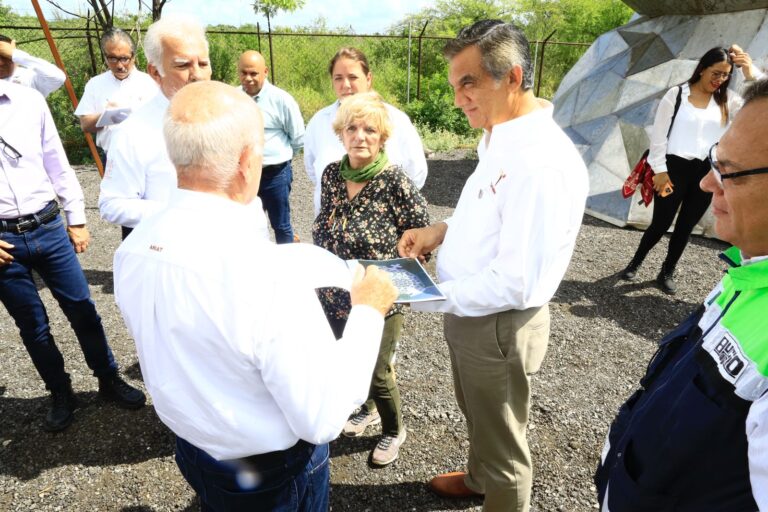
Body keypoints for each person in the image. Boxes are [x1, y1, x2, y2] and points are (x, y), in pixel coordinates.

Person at [114, 80, 398, 512]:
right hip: (270, 473)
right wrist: (368, 311)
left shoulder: (132, 249)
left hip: (194, 449)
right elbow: (322, 417)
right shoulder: (273, 277)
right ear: (249, 162)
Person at [397, 20, 588, 511]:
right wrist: (442, 230)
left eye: (469, 83)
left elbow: (517, 282)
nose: (459, 98)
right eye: (454, 84)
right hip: (472, 313)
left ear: (513, 76)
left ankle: (496, 486)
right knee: (479, 413)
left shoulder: (540, 163)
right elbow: (489, 210)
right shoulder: (500, 134)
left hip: (499, 324)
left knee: (506, 445)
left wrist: (421, 295)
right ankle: (481, 479)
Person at [596, 78, 768, 511]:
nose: (710, 184)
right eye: (715, 163)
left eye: (728, 172)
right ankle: (638, 265)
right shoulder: (747, 274)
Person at [0, 80, 145, 432]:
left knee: (83, 309)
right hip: (4, 244)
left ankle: (108, 379)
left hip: (48, 226)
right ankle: (60, 392)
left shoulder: (28, 100)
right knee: (32, 326)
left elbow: (56, 161)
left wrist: (76, 219)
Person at [312, 91, 430, 466]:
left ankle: (394, 429)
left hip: (381, 296)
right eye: (352, 128)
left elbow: (422, 237)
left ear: (382, 138)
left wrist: (411, 254)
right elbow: (325, 220)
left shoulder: (395, 181)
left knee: (378, 370)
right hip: (336, 291)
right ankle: (365, 409)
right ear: (340, 133)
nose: (360, 136)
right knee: (347, 357)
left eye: (369, 130)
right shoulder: (332, 174)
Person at [621, 47, 743, 294]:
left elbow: (756, 106)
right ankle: (635, 263)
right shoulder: (676, 95)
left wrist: (749, 71)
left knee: (686, 226)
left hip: (706, 174)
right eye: (716, 73)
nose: (719, 80)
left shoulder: (728, 101)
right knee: (660, 223)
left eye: (725, 75)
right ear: (702, 69)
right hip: (672, 169)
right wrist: (659, 171)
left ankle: (667, 272)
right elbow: (659, 137)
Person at [98, 15, 215, 240]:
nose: (197, 75)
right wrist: (181, 213)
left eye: (203, 63)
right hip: (166, 250)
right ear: (155, 72)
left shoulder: (225, 115)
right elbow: (112, 204)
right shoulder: (133, 132)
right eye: (183, 65)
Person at [304, 47, 428, 216]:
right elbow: (313, 171)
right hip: (329, 229)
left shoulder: (395, 120)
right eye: (338, 78)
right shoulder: (319, 122)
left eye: (353, 77)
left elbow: (416, 173)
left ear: (368, 78)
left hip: (382, 233)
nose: (345, 85)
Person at [237, 50, 304, 243]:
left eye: (254, 73)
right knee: (245, 225)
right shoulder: (232, 99)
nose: (248, 78)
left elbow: (298, 138)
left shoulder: (281, 100)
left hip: (275, 175)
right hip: (243, 175)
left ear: (265, 72)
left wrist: (280, 158)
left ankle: (287, 267)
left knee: (281, 225)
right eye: (244, 73)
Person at [74, 28, 158, 158]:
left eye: (124, 59)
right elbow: (85, 125)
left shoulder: (150, 83)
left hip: (146, 154)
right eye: (112, 58)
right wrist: (107, 116)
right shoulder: (95, 84)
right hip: (111, 156)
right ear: (105, 57)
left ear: (134, 57)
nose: (119, 65)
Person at [0, 34, 65, 97]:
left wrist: (15, 54)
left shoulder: (29, 77)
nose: (1, 63)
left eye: (5, 56)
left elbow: (58, 78)